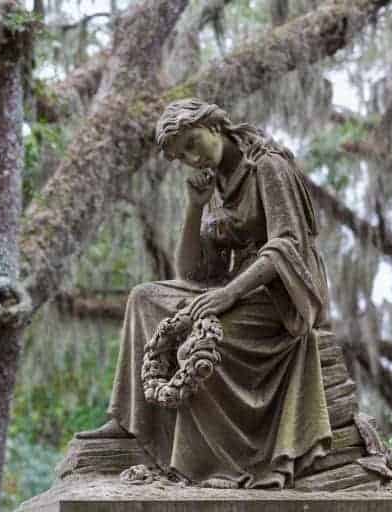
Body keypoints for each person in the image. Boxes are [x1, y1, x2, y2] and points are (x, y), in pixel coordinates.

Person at [75, 98, 333, 489]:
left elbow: (287, 246)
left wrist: (228, 295)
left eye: (192, 144)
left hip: (279, 297)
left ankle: (207, 462)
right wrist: (194, 209)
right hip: (234, 288)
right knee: (144, 297)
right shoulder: (214, 184)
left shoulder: (269, 165)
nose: (192, 159)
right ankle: (127, 420)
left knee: (196, 343)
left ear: (214, 126)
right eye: (181, 157)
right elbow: (195, 273)